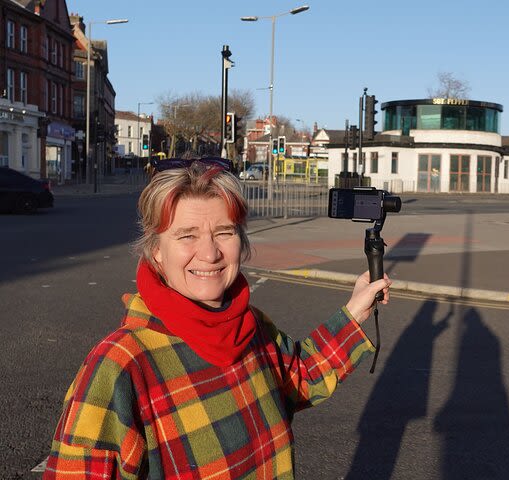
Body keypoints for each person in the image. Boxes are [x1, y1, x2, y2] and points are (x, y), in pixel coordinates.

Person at [43, 157, 391, 479]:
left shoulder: (252, 326)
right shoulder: (120, 366)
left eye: (224, 232)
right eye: (186, 235)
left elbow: (300, 377)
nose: (209, 253)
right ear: (156, 251)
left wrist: (356, 310)